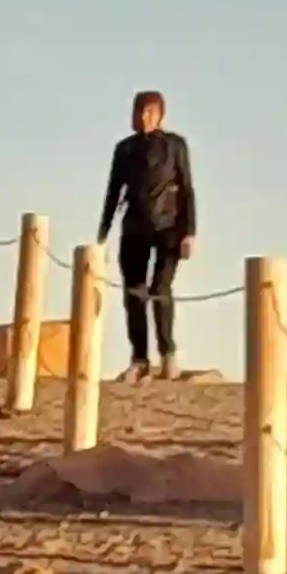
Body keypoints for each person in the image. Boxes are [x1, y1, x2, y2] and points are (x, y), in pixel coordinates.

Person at [100, 90, 199, 380]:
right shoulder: (124, 149)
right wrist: (102, 236)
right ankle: (139, 359)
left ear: (161, 116)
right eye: (140, 112)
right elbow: (112, 192)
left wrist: (190, 233)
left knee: (160, 289)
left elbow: (188, 189)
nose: (144, 118)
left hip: (169, 228)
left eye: (151, 112)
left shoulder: (175, 145)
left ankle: (168, 355)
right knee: (134, 294)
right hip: (134, 226)